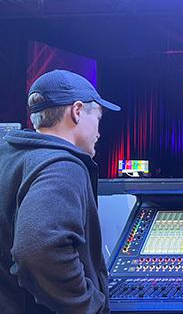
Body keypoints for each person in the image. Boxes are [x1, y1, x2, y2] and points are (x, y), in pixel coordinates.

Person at [0, 70, 121, 314]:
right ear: (77, 111)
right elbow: (37, 250)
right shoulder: (63, 166)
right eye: (97, 119)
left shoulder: (8, 155)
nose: (98, 132)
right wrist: (88, 305)